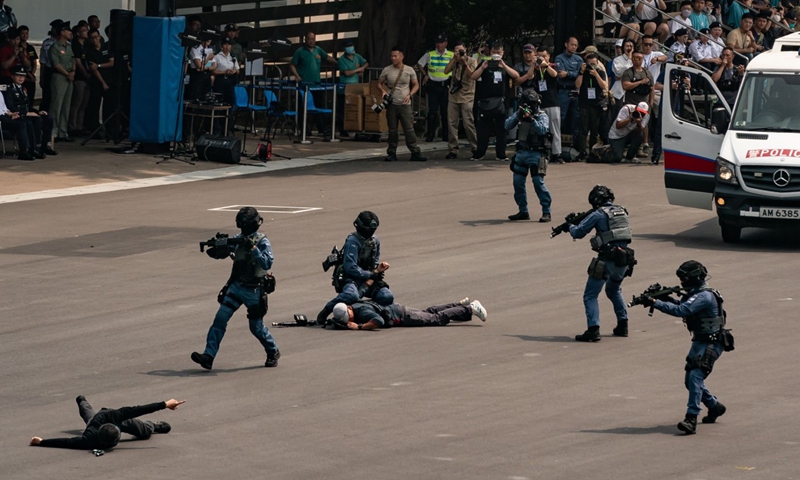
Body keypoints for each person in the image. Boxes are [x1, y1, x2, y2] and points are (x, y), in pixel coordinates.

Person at [641, 260, 730, 435]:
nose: (682, 282)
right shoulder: (695, 294)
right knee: (690, 380)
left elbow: (681, 310)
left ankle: (691, 418)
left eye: (684, 278)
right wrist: (663, 297)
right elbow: (682, 305)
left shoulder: (704, 296)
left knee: (696, 376)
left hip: (711, 343)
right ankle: (714, 406)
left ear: (695, 277)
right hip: (699, 341)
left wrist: (655, 302)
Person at [191, 207, 280, 370]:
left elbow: (267, 263)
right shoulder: (237, 240)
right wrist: (217, 248)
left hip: (254, 291)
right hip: (236, 287)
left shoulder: (262, 241)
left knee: (256, 327)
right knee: (220, 319)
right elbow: (223, 253)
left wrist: (253, 249)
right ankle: (209, 355)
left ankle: (272, 351)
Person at [567, 185, 634, 342]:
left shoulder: (598, 214)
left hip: (607, 259)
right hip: (625, 259)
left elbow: (578, 232)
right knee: (614, 290)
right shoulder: (622, 210)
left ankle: (593, 330)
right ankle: (623, 325)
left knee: (590, 295)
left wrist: (570, 225)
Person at [317, 211, 394, 322]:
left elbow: (375, 259)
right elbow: (350, 268)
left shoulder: (375, 241)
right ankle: (327, 310)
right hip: (351, 278)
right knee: (351, 295)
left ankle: (365, 310)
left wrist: (378, 270)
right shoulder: (352, 242)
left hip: (368, 278)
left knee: (387, 296)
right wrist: (371, 274)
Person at [29, 396, 184, 450]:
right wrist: (42, 442)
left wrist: (165, 404)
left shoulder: (115, 416)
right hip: (96, 421)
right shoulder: (89, 439)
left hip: (108, 416)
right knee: (89, 416)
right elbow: (66, 442)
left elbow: (138, 410)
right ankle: (82, 402)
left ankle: (152, 426)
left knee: (141, 429)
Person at [505, 90, 552, 223]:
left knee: (538, 182)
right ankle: (523, 211)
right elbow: (507, 125)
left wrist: (531, 120)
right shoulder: (519, 113)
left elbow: (542, 130)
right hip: (522, 152)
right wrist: (518, 115)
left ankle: (546, 211)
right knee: (518, 182)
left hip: (537, 153)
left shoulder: (542, 115)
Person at [470, 41, 519, 161]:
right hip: (485, 101)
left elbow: (516, 76)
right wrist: (482, 67)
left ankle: (501, 153)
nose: (496, 54)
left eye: (498, 52)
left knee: (502, 129)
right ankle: (480, 153)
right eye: (494, 52)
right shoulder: (485, 63)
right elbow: (473, 76)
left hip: (502, 101)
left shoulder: (505, 64)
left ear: (503, 53)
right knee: (483, 129)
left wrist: (504, 66)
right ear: (490, 52)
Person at [379, 46, 427, 162]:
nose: (393, 58)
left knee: (409, 129)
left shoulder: (409, 70)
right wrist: (383, 91)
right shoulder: (387, 70)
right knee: (392, 130)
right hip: (392, 104)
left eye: (395, 56)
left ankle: (415, 151)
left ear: (401, 57)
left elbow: (416, 84)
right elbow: (379, 83)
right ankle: (391, 152)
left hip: (405, 104)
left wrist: (410, 94)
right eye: (392, 56)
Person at [3, 65, 58, 160]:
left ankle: (45, 146)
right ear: (12, 76)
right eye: (18, 75)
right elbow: (10, 107)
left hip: (27, 112)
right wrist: (27, 113)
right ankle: (35, 147)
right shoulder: (9, 89)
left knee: (48, 118)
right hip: (18, 114)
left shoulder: (23, 89)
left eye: (23, 76)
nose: (21, 78)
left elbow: (28, 105)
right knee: (36, 120)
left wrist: (38, 112)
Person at [290, 31, 338, 137]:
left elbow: (327, 57)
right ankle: (304, 129)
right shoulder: (300, 51)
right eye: (309, 39)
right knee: (303, 108)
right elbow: (292, 65)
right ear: (305, 40)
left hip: (317, 85)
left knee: (319, 107)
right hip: (304, 86)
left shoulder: (318, 50)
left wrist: (339, 64)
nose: (311, 41)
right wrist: (297, 75)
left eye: (313, 39)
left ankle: (322, 129)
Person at [330, 297, 487, 329]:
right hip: (398, 308)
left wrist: (359, 327)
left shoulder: (363, 312)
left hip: (402, 316)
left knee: (435, 319)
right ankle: (459, 305)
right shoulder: (355, 305)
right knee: (429, 312)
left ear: (349, 308)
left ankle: (470, 308)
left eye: (347, 317)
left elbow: (378, 321)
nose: (348, 320)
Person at [525, 45, 562, 165]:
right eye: (539, 56)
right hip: (540, 103)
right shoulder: (536, 69)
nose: (541, 58)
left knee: (554, 129)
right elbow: (529, 77)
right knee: (541, 130)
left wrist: (545, 64)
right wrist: (533, 64)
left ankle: (557, 154)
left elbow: (555, 75)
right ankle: (543, 152)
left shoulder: (552, 66)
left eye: (544, 56)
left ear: (548, 56)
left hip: (552, 102)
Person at [443, 39, 478, 159]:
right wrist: (454, 59)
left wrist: (464, 62)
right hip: (453, 95)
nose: (458, 53)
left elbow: (472, 75)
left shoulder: (472, 61)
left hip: (467, 95)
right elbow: (446, 71)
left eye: (460, 50)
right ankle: (453, 149)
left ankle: (475, 147)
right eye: (456, 50)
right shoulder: (454, 61)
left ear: (465, 49)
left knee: (468, 123)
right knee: (452, 123)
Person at [418, 33, 453, 142]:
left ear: (446, 43)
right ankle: (430, 134)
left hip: (445, 86)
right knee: (432, 112)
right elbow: (420, 64)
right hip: (433, 86)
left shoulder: (451, 55)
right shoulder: (430, 54)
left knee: (445, 112)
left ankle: (446, 135)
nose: (439, 45)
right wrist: (425, 75)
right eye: (437, 43)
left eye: (441, 42)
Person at [555, 37, 584, 161]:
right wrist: (573, 73)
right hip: (563, 90)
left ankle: (576, 148)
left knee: (576, 119)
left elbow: (580, 73)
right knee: (560, 118)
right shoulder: (559, 58)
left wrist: (568, 73)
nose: (574, 47)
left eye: (576, 45)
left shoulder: (579, 59)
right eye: (572, 44)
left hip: (576, 91)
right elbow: (560, 74)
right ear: (566, 44)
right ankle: (557, 148)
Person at [575, 52, 609, 153]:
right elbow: (577, 85)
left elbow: (604, 85)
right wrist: (581, 72)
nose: (592, 66)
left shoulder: (600, 72)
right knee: (583, 129)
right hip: (584, 103)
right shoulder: (583, 72)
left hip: (596, 104)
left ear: (597, 63)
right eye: (590, 64)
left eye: (594, 64)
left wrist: (596, 74)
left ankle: (592, 152)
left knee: (594, 130)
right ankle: (582, 152)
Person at [49, 21, 75, 143]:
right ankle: (53, 132)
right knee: (56, 105)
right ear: (62, 32)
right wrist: (67, 73)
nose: (70, 33)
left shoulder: (69, 46)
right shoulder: (55, 47)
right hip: (60, 76)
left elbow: (73, 60)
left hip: (69, 77)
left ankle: (62, 132)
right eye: (68, 30)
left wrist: (73, 72)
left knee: (66, 105)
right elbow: (56, 64)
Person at [336, 39, 367, 137]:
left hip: (354, 88)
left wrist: (363, 68)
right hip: (344, 88)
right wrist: (358, 70)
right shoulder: (342, 60)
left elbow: (366, 62)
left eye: (351, 46)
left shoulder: (357, 56)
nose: (350, 48)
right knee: (342, 110)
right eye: (347, 46)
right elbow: (347, 73)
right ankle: (342, 130)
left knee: (354, 108)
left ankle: (355, 128)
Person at [85, 29, 114, 134]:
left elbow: (111, 63)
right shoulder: (89, 52)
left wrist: (99, 65)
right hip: (97, 81)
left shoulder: (106, 47)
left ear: (99, 37)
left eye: (96, 37)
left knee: (108, 106)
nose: (94, 40)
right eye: (92, 38)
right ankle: (95, 129)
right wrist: (103, 83)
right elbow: (93, 69)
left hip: (109, 79)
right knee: (95, 105)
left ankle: (109, 128)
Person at [212, 37, 239, 135]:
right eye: (225, 44)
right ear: (221, 46)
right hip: (220, 80)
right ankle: (216, 129)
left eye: (229, 44)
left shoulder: (233, 57)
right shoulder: (216, 57)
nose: (227, 47)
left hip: (230, 82)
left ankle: (226, 129)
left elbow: (237, 69)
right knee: (219, 105)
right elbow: (213, 70)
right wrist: (224, 72)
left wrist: (233, 71)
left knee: (229, 105)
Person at [69, 23, 91, 137]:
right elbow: (78, 62)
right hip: (79, 77)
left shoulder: (86, 45)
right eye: (84, 30)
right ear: (78, 33)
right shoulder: (75, 45)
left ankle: (79, 126)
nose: (86, 32)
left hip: (87, 78)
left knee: (83, 103)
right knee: (76, 103)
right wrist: (85, 74)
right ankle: (72, 127)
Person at [39, 20, 63, 114]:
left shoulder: (66, 44)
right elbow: (43, 61)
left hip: (61, 71)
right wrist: (42, 77)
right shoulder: (47, 43)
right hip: (49, 71)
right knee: (47, 96)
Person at [17, 25, 36, 111]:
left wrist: (32, 74)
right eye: (22, 33)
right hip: (21, 75)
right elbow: (24, 64)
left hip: (31, 76)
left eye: (26, 33)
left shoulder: (30, 47)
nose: (25, 35)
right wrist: (28, 75)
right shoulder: (18, 47)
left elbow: (34, 63)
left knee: (31, 99)